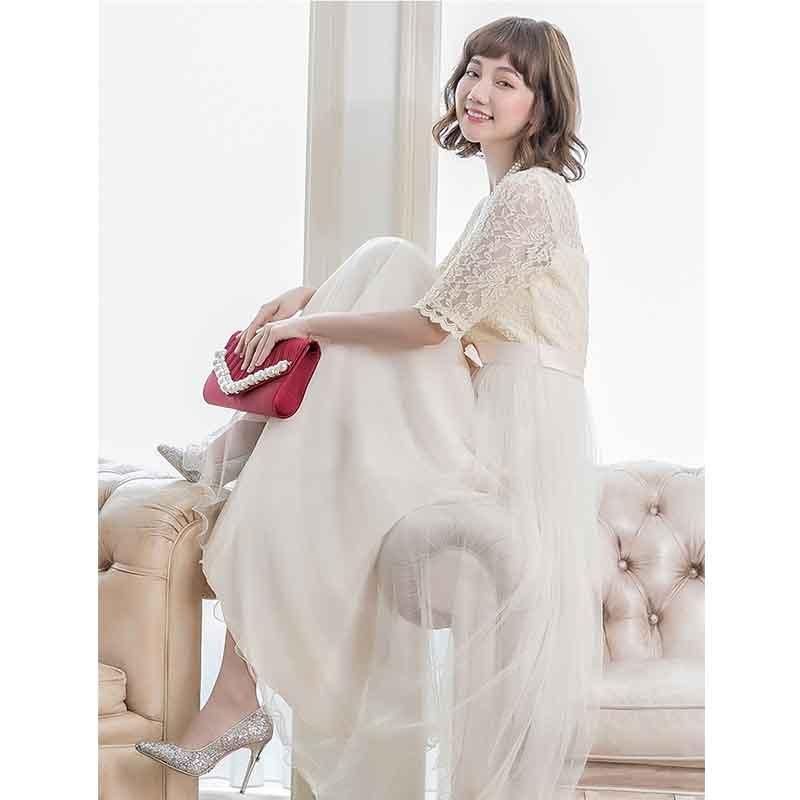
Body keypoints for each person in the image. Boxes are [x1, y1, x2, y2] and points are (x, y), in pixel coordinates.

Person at [136, 16, 603, 800]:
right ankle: (238, 683)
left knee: (390, 261)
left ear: (541, 106)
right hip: (490, 401)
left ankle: (234, 454)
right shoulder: (504, 200)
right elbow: (440, 308)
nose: (479, 91)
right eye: (474, 70)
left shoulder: (533, 194)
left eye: (506, 81)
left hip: (514, 428)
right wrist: (310, 297)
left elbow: (427, 324)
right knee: (380, 283)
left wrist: (307, 323)